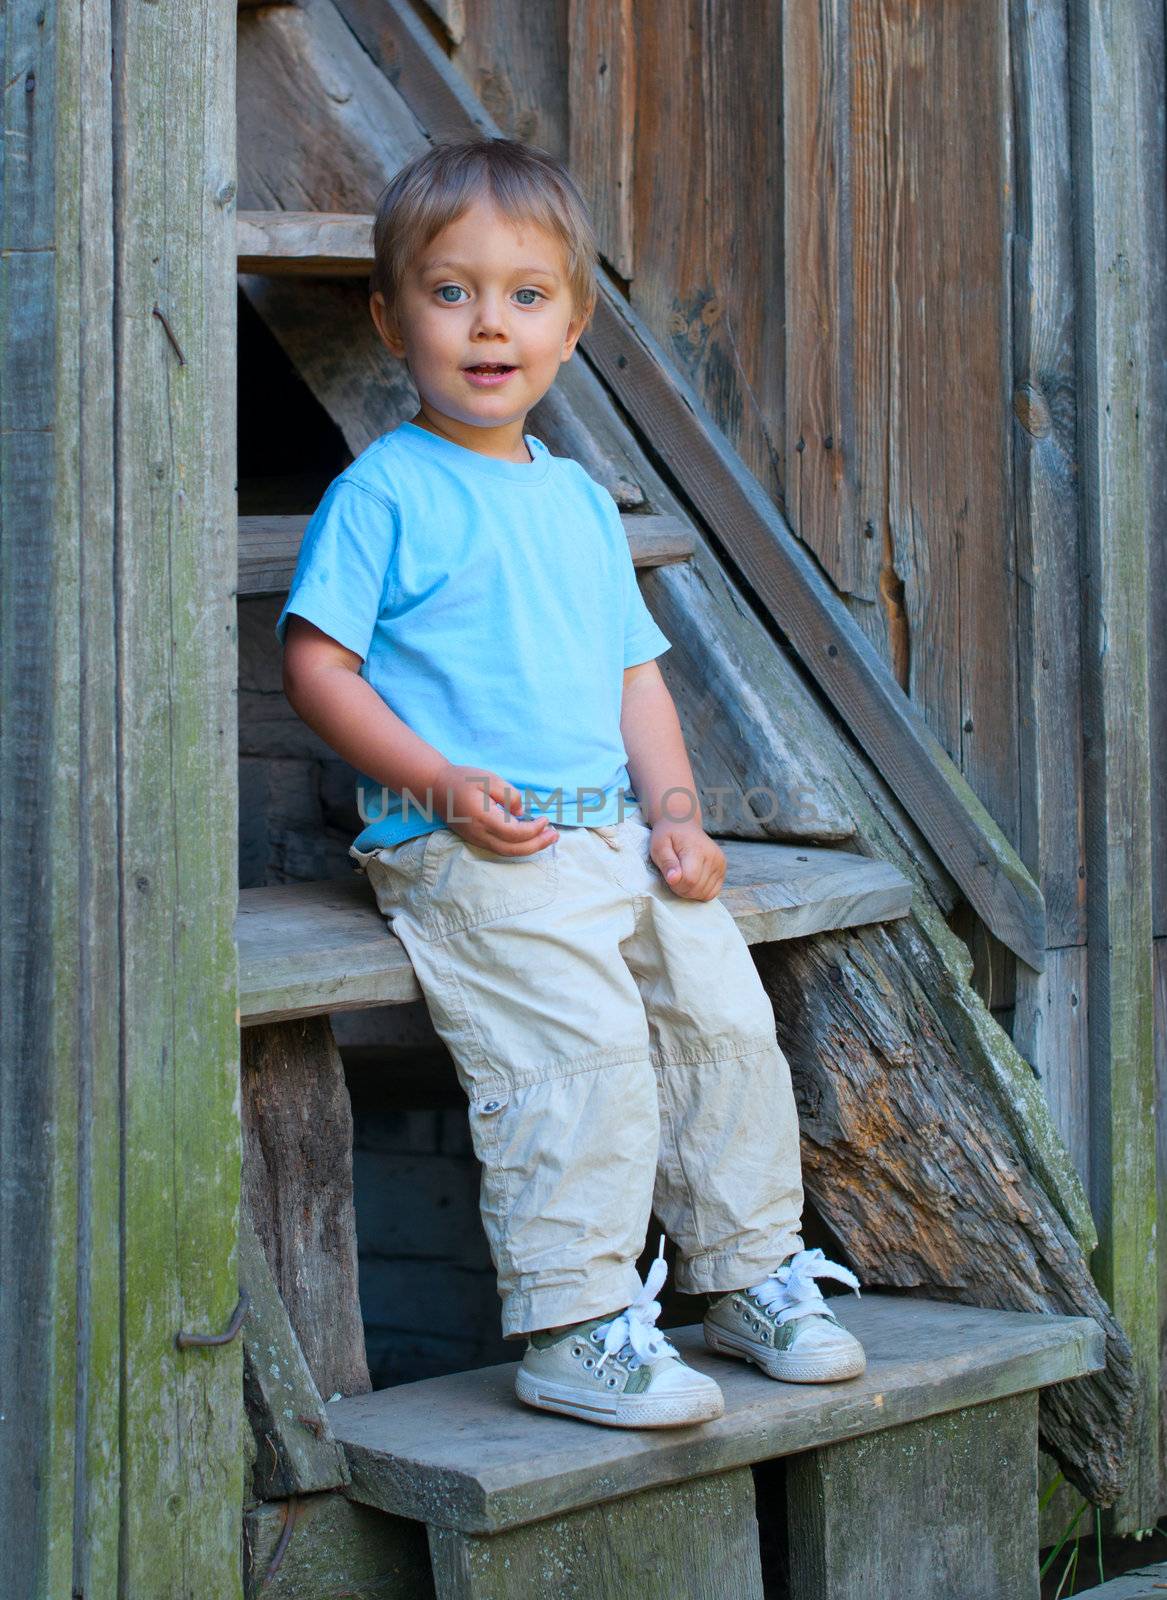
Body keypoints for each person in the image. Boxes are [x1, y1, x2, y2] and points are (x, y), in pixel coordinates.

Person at [276, 136, 866, 1429]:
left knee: (721, 1019)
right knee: (576, 1048)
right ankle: (575, 1316)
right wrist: (436, 782)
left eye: (527, 294)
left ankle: (750, 1271)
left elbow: (634, 680)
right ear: (388, 316)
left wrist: (676, 815)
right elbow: (317, 665)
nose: (491, 323)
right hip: (466, 840)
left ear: (573, 323)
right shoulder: (384, 491)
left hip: (613, 831)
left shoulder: (581, 506)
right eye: (451, 291)